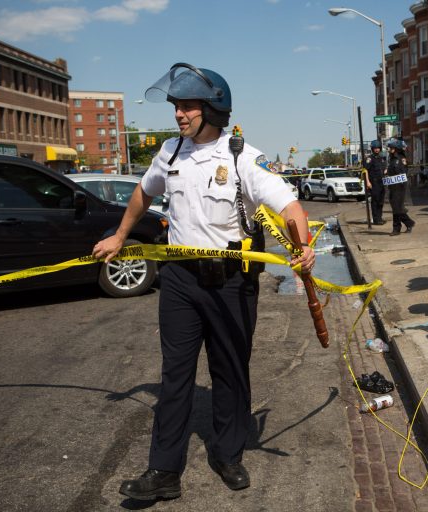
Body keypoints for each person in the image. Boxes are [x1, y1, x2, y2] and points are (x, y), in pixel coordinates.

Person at [92, 63, 315, 500]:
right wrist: (120, 234)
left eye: (188, 106)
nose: (178, 114)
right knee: (174, 375)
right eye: (176, 106)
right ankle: (163, 471)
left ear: (213, 109)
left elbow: (289, 207)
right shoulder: (170, 153)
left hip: (231, 283)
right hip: (179, 281)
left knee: (229, 370)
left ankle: (228, 454)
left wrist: (302, 246)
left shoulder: (242, 157)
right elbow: (144, 191)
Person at [386, 139, 415, 235]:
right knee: (396, 208)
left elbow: (403, 173)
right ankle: (409, 223)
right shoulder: (392, 159)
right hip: (392, 187)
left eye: (391, 147)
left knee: (397, 208)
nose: (389, 149)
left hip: (400, 187)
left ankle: (397, 228)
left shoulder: (401, 159)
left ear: (396, 148)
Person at [363, 139, 387, 225]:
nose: (377, 149)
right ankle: (376, 219)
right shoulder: (369, 159)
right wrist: (368, 182)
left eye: (378, 148)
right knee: (375, 201)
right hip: (374, 182)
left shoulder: (382, 158)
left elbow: (384, 169)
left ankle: (380, 218)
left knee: (381, 201)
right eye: (375, 148)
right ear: (372, 149)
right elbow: (365, 170)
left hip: (382, 182)